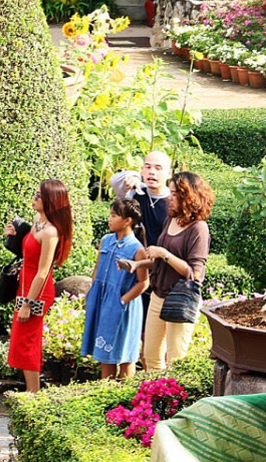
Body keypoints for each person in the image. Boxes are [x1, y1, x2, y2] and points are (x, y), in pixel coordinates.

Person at [5, 179, 73, 393]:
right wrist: (13, 237)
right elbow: (27, 252)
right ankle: (30, 392)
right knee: (20, 341)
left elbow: (43, 271)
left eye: (39, 196)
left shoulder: (51, 232)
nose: (34, 198)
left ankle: (32, 395)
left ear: (51, 201)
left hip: (37, 291)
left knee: (28, 343)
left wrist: (28, 303)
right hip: (24, 286)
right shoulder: (36, 221)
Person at [140, 171, 212, 372]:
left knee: (176, 360)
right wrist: (138, 265)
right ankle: (153, 399)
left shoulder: (199, 228)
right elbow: (162, 265)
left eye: (174, 194)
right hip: (158, 295)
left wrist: (164, 254)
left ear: (188, 197)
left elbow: (195, 273)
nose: (168, 198)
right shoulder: (170, 220)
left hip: (180, 298)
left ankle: (174, 402)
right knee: (151, 355)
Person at [80, 199, 148, 380]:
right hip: (101, 301)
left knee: (125, 356)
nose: (109, 219)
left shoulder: (137, 249)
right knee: (105, 355)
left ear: (127, 221)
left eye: (114, 215)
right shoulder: (105, 241)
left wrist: (122, 300)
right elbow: (97, 269)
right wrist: (93, 292)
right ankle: (107, 397)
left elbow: (144, 282)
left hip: (124, 307)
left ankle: (126, 400)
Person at [110, 151, 173, 253]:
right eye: (148, 167)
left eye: (158, 168)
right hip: (134, 259)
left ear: (169, 173)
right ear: (142, 170)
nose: (152, 172)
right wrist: (134, 176)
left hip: (162, 262)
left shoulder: (174, 201)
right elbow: (114, 181)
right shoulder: (135, 192)